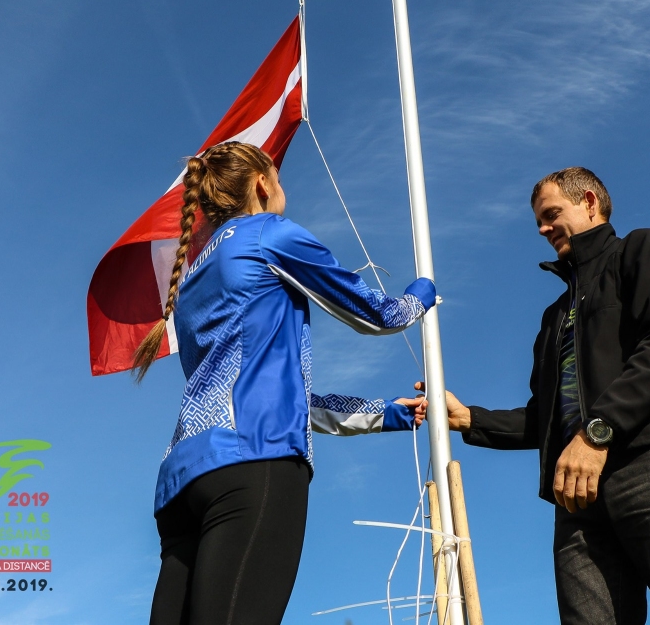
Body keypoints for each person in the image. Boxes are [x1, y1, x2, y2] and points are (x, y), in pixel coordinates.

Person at [424, 167, 650, 624]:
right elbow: (546, 419)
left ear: (590, 202)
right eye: (539, 221)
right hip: (577, 496)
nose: (543, 229)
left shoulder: (643, 249)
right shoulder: (553, 318)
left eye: (551, 214)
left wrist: (596, 434)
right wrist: (470, 419)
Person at [134, 141, 437, 625]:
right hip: (254, 463)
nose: (282, 188)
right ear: (261, 184)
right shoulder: (268, 234)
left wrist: (385, 414)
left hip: (181, 483)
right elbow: (378, 316)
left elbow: (267, 392)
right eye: (278, 178)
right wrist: (421, 295)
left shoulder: (189, 281)